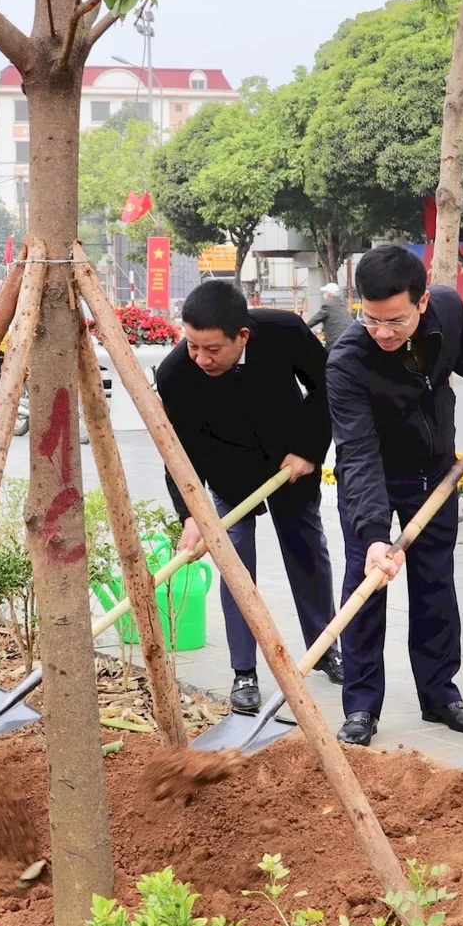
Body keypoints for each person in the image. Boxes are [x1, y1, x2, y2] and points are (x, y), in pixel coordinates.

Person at [327, 245, 463, 746]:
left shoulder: (446, 307)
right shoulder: (346, 363)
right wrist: (376, 535)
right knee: (366, 588)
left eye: (395, 321)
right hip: (374, 481)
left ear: (422, 303)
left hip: (435, 474)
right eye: (371, 319)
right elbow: (357, 454)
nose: (381, 332)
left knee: (435, 586)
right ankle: (360, 707)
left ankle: (440, 694)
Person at [156, 279, 343, 714]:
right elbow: (178, 452)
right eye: (193, 346)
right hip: (228, 474)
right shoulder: (175, 374)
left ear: (242, 336)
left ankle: (326, 648)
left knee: (307, 552)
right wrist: (190, 514)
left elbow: (327, 387)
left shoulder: (284, 332)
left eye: (212, 349)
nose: (201, 358)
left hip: (290, 467)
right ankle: (244, 672)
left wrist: (310, 451)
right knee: (235, 563)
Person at [306, 282, 353, 351]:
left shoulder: (328, 305)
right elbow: (336, 321)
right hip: (347, 339)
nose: (324, 294)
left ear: (329, 294)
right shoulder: (341, 304)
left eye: (325, 292)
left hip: (335, 342)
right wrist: (321, 330)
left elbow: (314, 320)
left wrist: (303, 327)